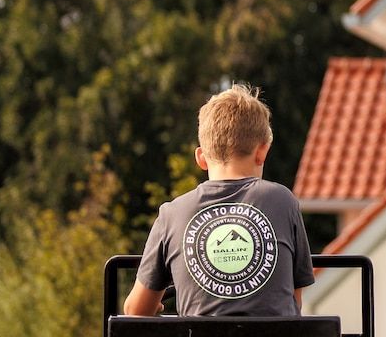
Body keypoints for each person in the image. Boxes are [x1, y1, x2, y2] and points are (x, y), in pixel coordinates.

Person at [124, 83, 315, 317]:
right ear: (262, 151)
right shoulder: (283, 201)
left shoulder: (172, 214)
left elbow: (135, 311)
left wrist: (156, 304)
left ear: (201, 159)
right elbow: (294, 303)